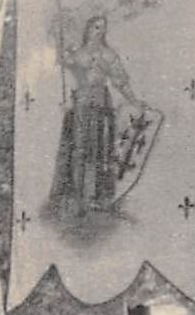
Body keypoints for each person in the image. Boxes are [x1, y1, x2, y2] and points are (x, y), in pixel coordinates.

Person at [46, 12, 146, 218]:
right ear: (88, 29)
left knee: (100, 150)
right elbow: (61, 61)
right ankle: (76, 197)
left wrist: (133, 100)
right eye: (96, 27)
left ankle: (97, 197)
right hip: (81, 105)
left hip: (101, 105)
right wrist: (58, 36)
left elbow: (121, 81)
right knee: (79, 150)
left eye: (103, 27)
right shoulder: (77, 53)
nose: (100, 31)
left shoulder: (108, 55)